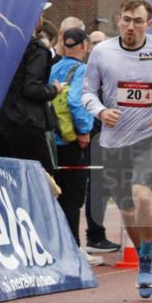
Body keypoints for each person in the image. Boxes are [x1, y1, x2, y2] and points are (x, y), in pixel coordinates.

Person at [82, 0, 152, 298]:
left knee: (141, 194)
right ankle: (148, 252)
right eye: (127, 20)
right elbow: (88, 92)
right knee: (127, 210)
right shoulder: (102, 52)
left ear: (149, 24)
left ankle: (145, 258)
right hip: (113, 140)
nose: (131, 26)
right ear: (119, 19)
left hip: (150, 138)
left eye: (138, 21)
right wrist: (101, 112)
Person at [0, 7, 62, 174]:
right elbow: (32, 89)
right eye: (41, 14)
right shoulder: (37, 49)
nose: (42, 19)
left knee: (5, 178)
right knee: (42, 179)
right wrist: (54, 89)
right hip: (26, 123)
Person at [49, 28, 95, 249]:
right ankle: (74, 248)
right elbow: (76, 101)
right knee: (73, 198)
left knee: (56, 195)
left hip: (52, 139)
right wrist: (84, 130)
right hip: (72, 140)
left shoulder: (53, 67)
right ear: (85, 46)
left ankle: (58, 246)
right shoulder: (82, 70)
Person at [84, 30, 121, 255]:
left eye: (101, 43)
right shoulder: (87, 72)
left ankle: (98, 234)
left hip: (110, 136)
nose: (98, 47)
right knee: (96, 187)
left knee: (105, 187)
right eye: (94, 43)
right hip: (91, 134)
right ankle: (94, 236)